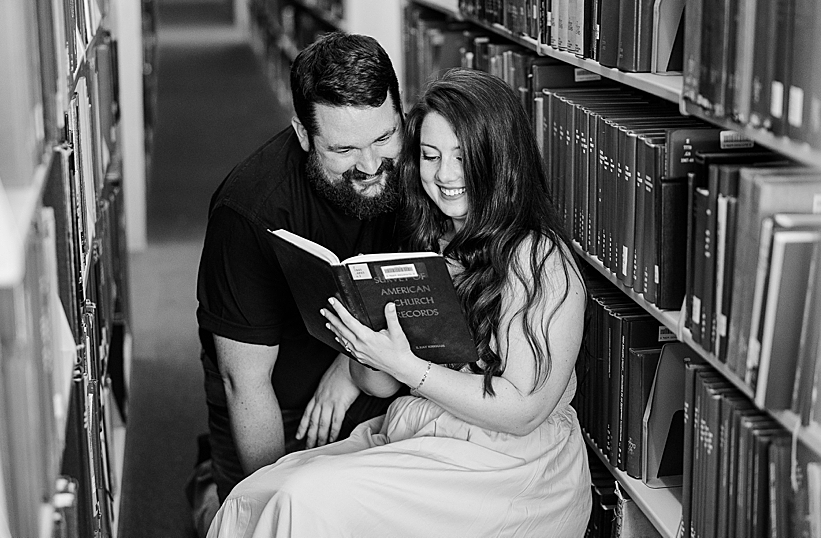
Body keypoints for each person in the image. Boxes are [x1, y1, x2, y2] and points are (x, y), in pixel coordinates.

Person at [205, 68, 592, 538]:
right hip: (429, 434)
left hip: (511, 465)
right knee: (256, 495)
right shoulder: (430, 238)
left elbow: (521, 410)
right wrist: (362, 349)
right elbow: (382, 384)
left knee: (301, 501)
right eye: (430, 156)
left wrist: (409, 369)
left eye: (463, 157)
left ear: (500, 159)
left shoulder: (537, 257)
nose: (445, 176)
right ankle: (209, 491)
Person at [191, 32, 406, 531]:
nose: (372, 166)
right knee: (252, 522)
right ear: (304, 135)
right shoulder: (248, 210)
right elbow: (244, 382)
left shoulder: (424, 161)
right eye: (345, 149)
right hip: (275, 401)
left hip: (375, 375)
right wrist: (278, 504)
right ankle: (207, 483)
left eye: (383, 137)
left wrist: (348, 367)